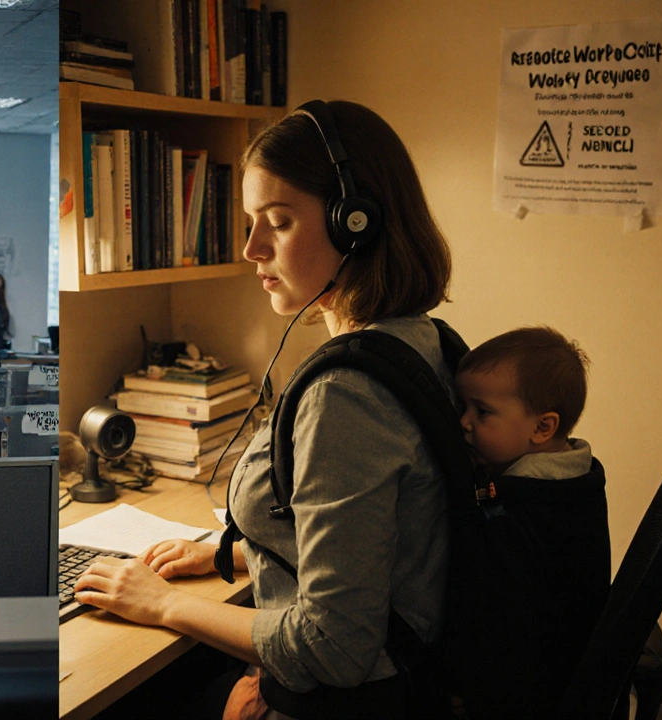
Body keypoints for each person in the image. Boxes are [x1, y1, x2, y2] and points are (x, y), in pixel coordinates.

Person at [74, 100, 455, 719]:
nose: (252, 248)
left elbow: (334, 649)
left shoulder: (347, 396)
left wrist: (160, 603)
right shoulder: (418, 340)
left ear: (355, 224)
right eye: (252, 221)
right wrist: (234, 552)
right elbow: (378, 542)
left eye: (277, 221)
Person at [455, 325, 610, 710]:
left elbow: (493, 615)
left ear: (543, 428)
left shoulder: (528, 510)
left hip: (531, 691)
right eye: (462, 407)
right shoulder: (576, 477)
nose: (464, 422)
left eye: (482, 411)